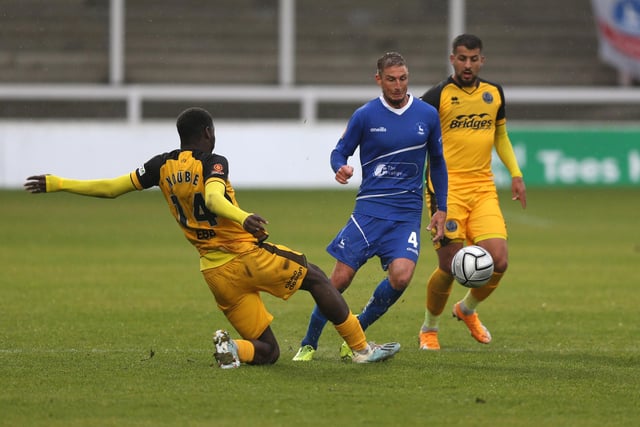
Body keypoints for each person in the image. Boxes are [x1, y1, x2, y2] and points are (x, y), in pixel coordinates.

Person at [24, 107, 402, 368]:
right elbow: (213, 197)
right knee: (317, 277)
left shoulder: (161, 165)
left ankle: (231, 349)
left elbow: (110, 188)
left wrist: (58, 183)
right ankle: (360, 348)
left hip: (215, 275)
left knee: (267, 351)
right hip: (245, 257)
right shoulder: (213, 162)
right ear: (208, 133)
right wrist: (245, 217)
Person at [292, 52, 448, 362]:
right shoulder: (365, 115)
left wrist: (441, 207)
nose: (398, 85)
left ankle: (356, 333)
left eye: (403, 78)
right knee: (338, 280)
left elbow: (439, 163)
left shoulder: (427, 115)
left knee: (402, 277)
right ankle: (309, 342)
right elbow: (340, 152)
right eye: (391, 79)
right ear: (378, 79)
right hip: (369, 211)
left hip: (406, 214)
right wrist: (340, 167)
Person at [418, 34, 527, 350]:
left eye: (474, 58)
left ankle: (466, 310)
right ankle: (429, 329)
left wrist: (516, 174)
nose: (468, 64)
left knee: (499, 260)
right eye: (462, 58)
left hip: (482, 189)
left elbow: (501, 137)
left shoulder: (494, 93)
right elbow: (412, 135)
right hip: (446, 191)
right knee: (450, 266)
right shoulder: (436, 96)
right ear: (452, 58)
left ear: (482, 60)